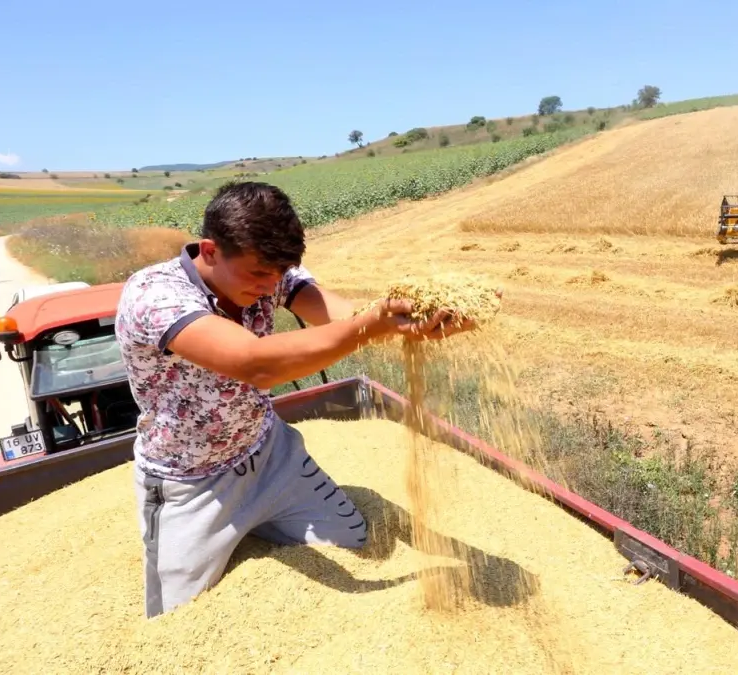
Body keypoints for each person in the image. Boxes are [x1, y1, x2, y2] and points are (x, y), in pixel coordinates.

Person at [114, 180, 486, 618]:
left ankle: (262, 519)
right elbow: (256, 364)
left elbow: (341, 316)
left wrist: (412, 321)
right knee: (177, 616)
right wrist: (374, 323)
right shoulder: (155, 295)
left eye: (278, 274)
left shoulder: (270, 271)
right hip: (192, 483)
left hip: (270, 456)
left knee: (355, 539)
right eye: (258, 275)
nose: (270, 285)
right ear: (211, 251)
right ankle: (227, 534)